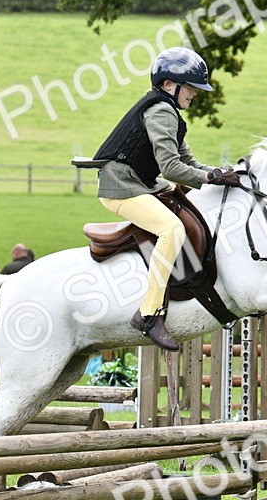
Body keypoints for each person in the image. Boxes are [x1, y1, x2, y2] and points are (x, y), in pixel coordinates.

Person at [93, 47, 241, 351]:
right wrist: (210, 179)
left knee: (182, 208)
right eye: (191, 88)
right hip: (121, 187)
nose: (195, 95)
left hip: (139, 182)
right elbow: (172, 168)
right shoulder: (160, 111)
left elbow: (187, 160)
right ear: (169, 84)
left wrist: (217, 173)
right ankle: (149, 313)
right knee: (171, 228)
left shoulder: (169, 111)